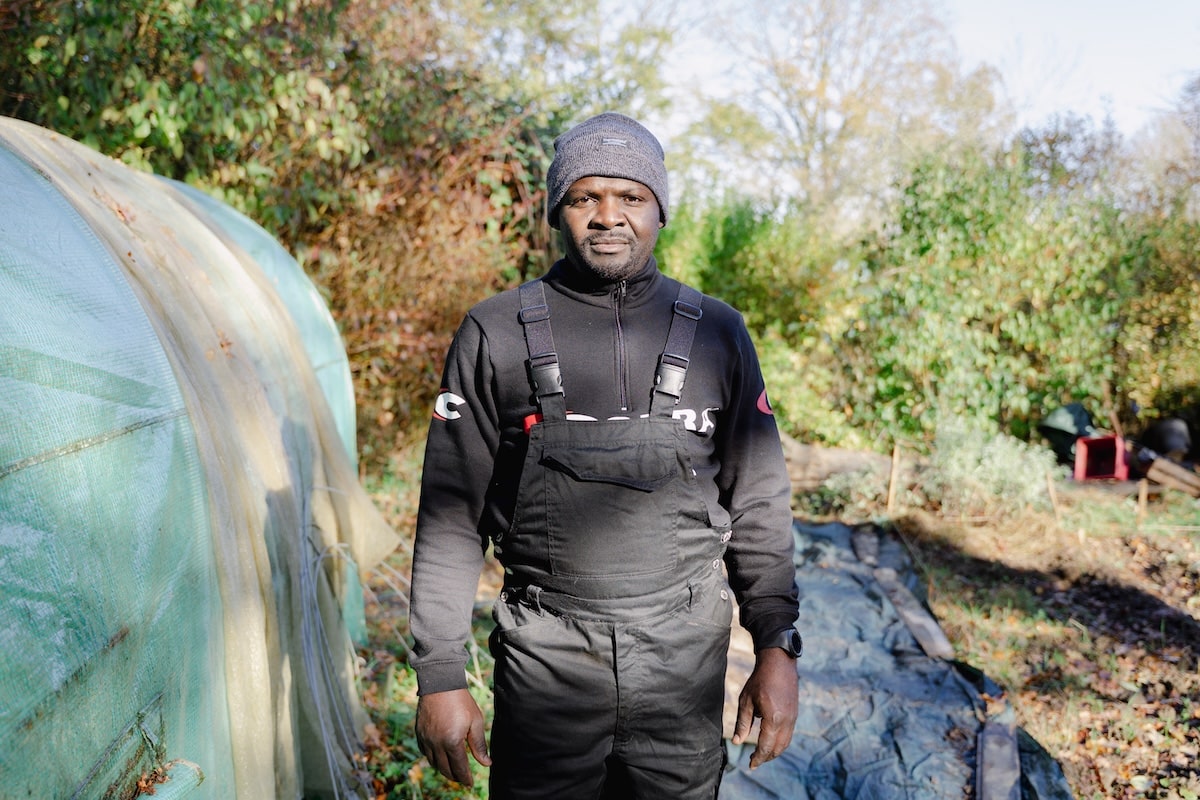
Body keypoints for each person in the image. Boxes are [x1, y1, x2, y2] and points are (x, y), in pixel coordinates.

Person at [408, 111, 802, 799]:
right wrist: (439, 676)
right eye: (585, 196)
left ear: (660, 211)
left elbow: (759, 501)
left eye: (631, 197)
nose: (608, 217)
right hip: (546, 659)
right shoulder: (494, 333)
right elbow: (449, 517)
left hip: (682, 663)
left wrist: (777, 644)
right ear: (559, 210)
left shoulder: (718, 333)